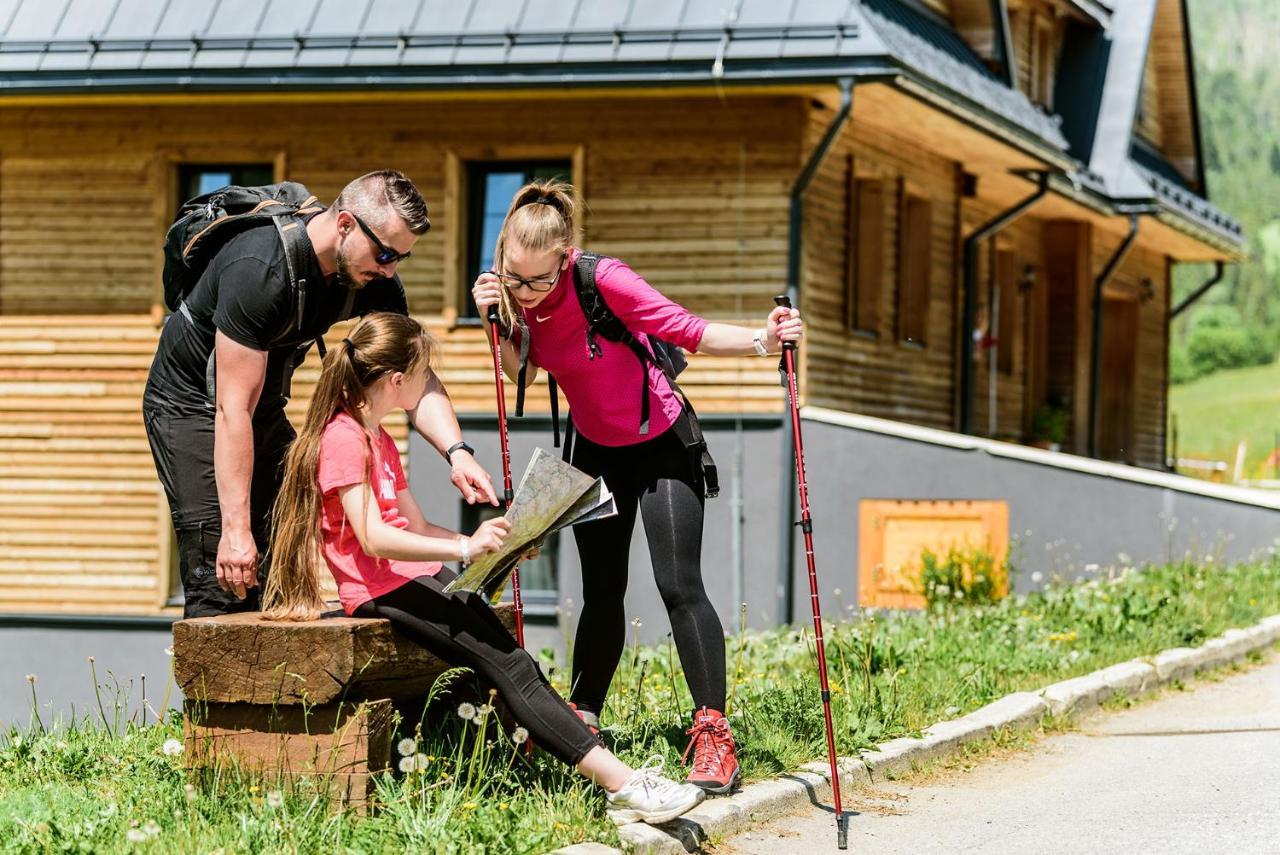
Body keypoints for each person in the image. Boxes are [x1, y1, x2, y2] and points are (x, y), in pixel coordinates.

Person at [261, 311, 704, 826]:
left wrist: (490, 543)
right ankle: (623, 785)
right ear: (396, 380)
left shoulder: (376, 435)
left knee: (513, 662)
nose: (428, 382)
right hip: (381, 588)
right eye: (424, 371)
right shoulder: (343, 437)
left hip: (411, 575)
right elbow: (373, 537)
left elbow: (418, 525)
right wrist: (465, 550)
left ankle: (591, 777)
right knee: (511, 665)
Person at [471, 179, 804, 794]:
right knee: (601, 594)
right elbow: (522, 362)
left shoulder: (605, 281)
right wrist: (497, 316)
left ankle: (711, 733)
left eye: (538, 281)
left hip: (660, 446)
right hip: (595, 453)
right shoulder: (513, 297)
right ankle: (583, 723)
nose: (527, 291)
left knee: (678, 584)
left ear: (565, 258)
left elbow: (688, 330)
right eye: (512, 277)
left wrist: (764, 340)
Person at [144, 170, 496, 619]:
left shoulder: (372, 279)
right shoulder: (260, 270)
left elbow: (414, 374)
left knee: (283, 538)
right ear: (346, 224)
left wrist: (458, 452)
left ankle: (276, 684)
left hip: (262, 406)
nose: (389, 270)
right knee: (224, 558)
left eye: (400, 258)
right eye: (385, 253)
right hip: (191, 406)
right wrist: (236, 527)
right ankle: (213, 684)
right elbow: (233, 409)